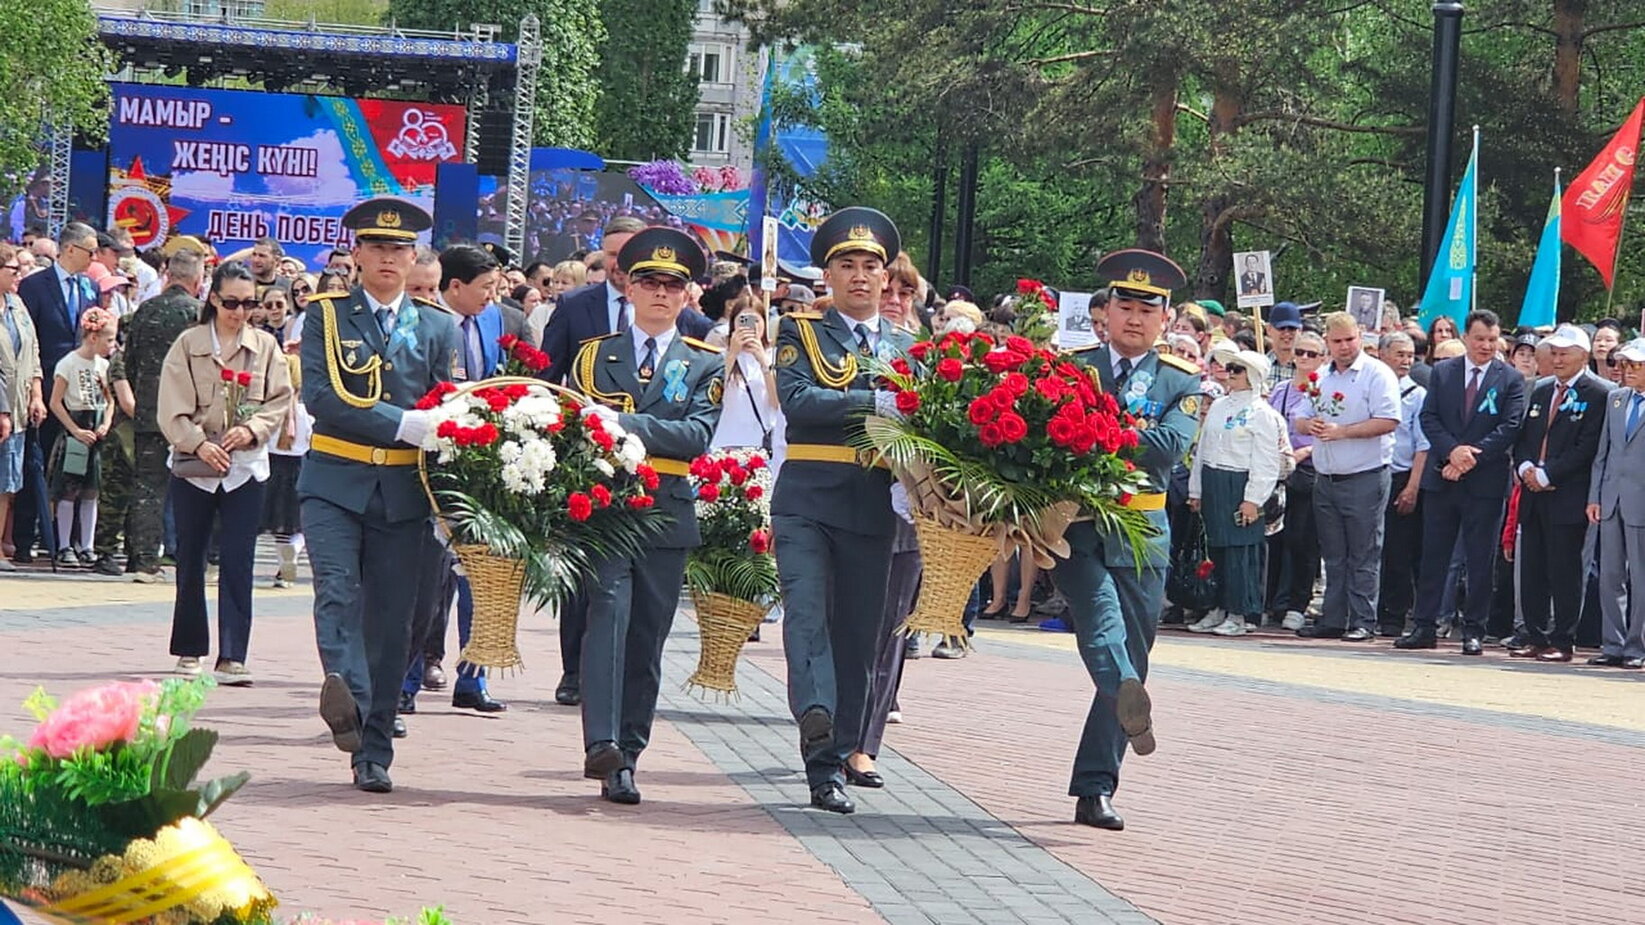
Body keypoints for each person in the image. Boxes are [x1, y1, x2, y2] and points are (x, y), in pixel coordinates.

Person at [299, 198, 457, 793]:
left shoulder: (437, 325)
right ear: (357, 255)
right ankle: (347, 695)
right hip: (335, 481)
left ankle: (374, 751)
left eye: (399, 249)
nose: (388, 258)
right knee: (337, 589)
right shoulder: (328, 316)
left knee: (395, 625)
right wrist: (400, 422)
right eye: (377, 248)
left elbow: (448, 407)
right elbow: (322, 396)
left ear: (413, 257)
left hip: (403, 491)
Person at [567, 227, 722, 805]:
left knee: (648, 638)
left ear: (687, 295)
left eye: (672, 284)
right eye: (649, 282)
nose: (660, 293)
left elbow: (695, 437)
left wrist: (622, 422)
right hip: (606, 505)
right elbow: (581, 422)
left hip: (667, 509)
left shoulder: (703, 362)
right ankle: (602, 744)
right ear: (627, 288)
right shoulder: (594, 355)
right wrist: (610, 422)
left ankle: (631, 749)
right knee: (606, 617)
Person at [772, 207, 915, 815]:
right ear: (827, 275)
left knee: (861, 639)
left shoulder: (911, 347)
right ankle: (817, 730)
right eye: (846, 265)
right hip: (808, 497)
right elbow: (799, 402)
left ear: (887, 278)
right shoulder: (799, 332)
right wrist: (875, 400)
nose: (859, 276)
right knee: (807, 615)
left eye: (870, 267)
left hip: (875, 505)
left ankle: (841, 750)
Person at [1056, 249, 1200, 831]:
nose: (1134, 318)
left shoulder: (1181, 380)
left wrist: (1096, 427)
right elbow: (1051, 432)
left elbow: (1169, 447)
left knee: (1131, 654)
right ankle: (1125, 700)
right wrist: (1129, 428)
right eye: (1125, 305)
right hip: (1077, 523)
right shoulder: (1073, 369)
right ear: (1105, 312)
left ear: (1164, 319)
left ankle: (1096, 786)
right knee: (1100, 623)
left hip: (1142, 527)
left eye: (1148, 308)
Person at [157, 261, 293, 684]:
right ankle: (190, 650)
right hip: (195, 465)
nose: (240, 311)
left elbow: (279, 399)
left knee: (239, 560)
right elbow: (170, 407)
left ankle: (233, 654)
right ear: (212, 298)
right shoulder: (188, 342)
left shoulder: (266, 346)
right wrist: (199, 442)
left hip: (245, 469)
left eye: (248, 303)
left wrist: (251, 430)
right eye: (231, 302)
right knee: (191, 557)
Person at [399, 243, 513, 717]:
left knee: (482, 578)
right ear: (455, 287)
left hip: (479, 468)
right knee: (424, 582)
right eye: (485, 288)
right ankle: (404, 680)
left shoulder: (493, 320)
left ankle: (474, 676)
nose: (492, 297)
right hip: (423, 464)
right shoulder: (420, 324)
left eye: (496, 288)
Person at [1397, 309, 1526, 654]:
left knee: (1479, 558)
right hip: (1443, 477)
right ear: (1466, 338)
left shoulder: (1510, 378)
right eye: (1480, 339)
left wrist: (1470, 457)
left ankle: (1474, 629)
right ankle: (1425, 625)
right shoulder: (1443, 373)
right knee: (1434, 555)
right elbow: (1430, 417)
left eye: (1491, 339)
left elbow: (1510, 427)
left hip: (1484, 481)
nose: (1486, 345)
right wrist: (1452, 452)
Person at [1293, 313, 1402, 642]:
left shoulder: (1377, 374)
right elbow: (1299, 417)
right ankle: (1333, 618)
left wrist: (1344, 432)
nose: (1344, 347)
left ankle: (1363, 620)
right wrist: (1307, 426)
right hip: (1326, 477)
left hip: (1365, 475)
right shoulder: (1320, 376)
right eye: (1337, 341)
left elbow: (1388, 420)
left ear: (1361, 336)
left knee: (1364, 552)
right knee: (1333, 553)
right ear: (1327, 341)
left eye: (1349, 339)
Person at [1510, 325, 1609, 662]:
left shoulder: (1599, 393)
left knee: (1565, 569)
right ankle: (1536, 635)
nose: (1558, 358)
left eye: (1564, 353)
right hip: (1533, 493)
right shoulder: (1539, 390)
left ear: (1583, 355)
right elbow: (1524, 436)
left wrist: (1549, 472)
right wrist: (1525, 468)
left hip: (1567, 494)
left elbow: (1588, 447)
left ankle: (1563, 640)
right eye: (1553, 352)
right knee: (1532, 567)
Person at [13, 222, 99, 563]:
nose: (94, 257)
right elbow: (29, 339)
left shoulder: (90, 287)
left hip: (81, 395)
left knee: (76, 470)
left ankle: (70, 543)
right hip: (46, 388)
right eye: (90, 251)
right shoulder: (35, 286)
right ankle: (25, 539)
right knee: (38, 463)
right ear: (70, 249)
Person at [1189, 349, 1287, 637]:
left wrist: (1253, 500)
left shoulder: (1263, 414)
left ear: (1253, 376)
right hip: (1214, 479)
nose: (1230, 373)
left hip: (1240, 484)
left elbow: (1267, 461)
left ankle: (1239, 612)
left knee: (1240, 552)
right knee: (1214, 547)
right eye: (1229, 368)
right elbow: (1202, 450)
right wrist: (1197, 489)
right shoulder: (1218, 406)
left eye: (1237, 369)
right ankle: (1215, 606)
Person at [121, 250, 205, 579]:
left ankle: (141, 558)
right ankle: (186, 555)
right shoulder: (196, 313)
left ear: (168, 275)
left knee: (146, 486)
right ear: (197, 281)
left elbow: (129, 360)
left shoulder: (146, 309)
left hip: (147, 410)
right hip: (184, 413)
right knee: (192, 484)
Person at [1586, 338, 1645, 669]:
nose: (1627, 371)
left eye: (1635, 365)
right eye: (1624, 365)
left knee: (1641, 576)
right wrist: (1595, 496)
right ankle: (1614, 643)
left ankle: (1637, 646)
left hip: (1641, 501)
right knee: (1610, 574)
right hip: (1611, 499)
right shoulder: (1616, 399)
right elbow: (1602, 454)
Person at [47, 308, 118, 566]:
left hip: (96, 426)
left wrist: (107, 422)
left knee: (92, 490)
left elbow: (111, 401)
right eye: (108, 339)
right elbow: (56, 402)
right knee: (69, 490)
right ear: (92, 337)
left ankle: (87, 546)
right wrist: (73, 429)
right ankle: (64, 545)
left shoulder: (104, 366)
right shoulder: (68, 363)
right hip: (76, 428)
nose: (112, 345)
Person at [1265, 330, 1324, 630]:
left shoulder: (1325, 391)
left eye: (1311, 354)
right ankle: (1273, 599)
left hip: (1310, 469)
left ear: (1322, 359)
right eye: (1300, 352)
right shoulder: (1281, 390)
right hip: (1279, 468)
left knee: (1303, 538)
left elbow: (1332, 431)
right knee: (1275, 537)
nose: (1303, 358)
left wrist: (1303, 452)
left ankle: (1298, 603)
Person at [1375, 331, 1429, 637]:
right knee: (1369, 548)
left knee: (1398, 551)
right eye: (1399, 354)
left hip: (1401, 478)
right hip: (1370, 474)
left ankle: (1394, 615)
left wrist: (1413, 486)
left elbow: (1423, 445)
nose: (1406, 360)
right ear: (1382, 354)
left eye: (1410, 355)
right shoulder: (1373, 387)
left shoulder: (1417, 395)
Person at [0, 243, 43, 572]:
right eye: (13, 270)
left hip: (17, 409)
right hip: (2, 406)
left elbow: (33, 353)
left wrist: (37, 394)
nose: (20, 276)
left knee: (8, 480)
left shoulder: (17, 305)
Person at [1264, 301, 1303, 390]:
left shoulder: (1308, 367)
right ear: (1269, 329)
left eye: (1292, 328)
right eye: (1281, 328)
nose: (1286, 334)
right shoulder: (1260, 367)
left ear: (1300, 330)